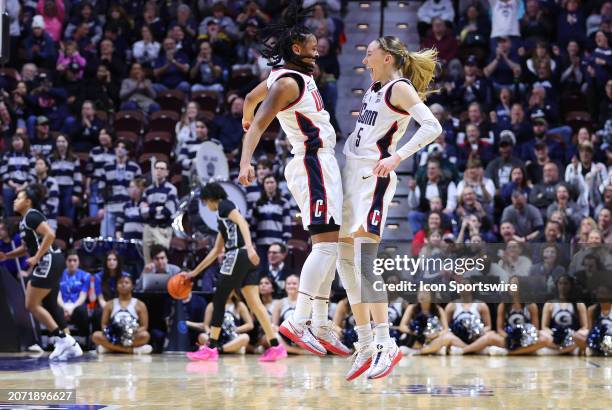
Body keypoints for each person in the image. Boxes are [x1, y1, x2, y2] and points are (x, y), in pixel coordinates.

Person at [238, 2, 350, 359]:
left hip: (320, 164)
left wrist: (244, 112)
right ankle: (299, 320)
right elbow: (259, 123)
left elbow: (250, 99)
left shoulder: (284, 76)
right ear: (296, 49)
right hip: (312, 163)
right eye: (312, 46)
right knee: (325, 246)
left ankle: (319, 322)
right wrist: (245, 162)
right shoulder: (287, 83)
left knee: (332, 243)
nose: (318, 49)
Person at [336, 34, 441, 380]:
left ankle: (386, 343)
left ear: (387, 58)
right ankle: (365, 342)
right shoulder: (373, 90)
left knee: (366, 265)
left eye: (369, 55)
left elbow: (432, 126)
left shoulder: (399, 88)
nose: (364, 61)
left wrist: (398, 156)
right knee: (343, 261)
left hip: (373, 179)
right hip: (353, 179)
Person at [182, 183, 287, 362]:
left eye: (206, 202)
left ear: (211, 198)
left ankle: (211, 347)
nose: (206, 206)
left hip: (238, 253)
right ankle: (276, 346)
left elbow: (243, 223)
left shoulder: (225, 205)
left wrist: (249, 247)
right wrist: (194, 272)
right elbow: (216, 251)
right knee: (255, 303)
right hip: (244, 256)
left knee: (219, 298)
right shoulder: (222, 218)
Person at [0, 185, 82, 360]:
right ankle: (70, 345)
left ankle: (63, 340)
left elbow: (50, 235)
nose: (14, 200)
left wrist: (37, 257)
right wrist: (7, 255)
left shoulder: (32, 215)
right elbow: (25, 247)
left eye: (19, 198)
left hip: (49, 260)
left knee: (31, 304)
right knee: (50, 305)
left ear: (28, 201)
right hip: (48, 261)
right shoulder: (24, 221)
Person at [92, 274, 152, 354]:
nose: (123, 284)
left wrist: (129, 332)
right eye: (120, 283)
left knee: (145, 335)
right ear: (116, 286)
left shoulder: (140, 304)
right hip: (113, 336)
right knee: (96, 336)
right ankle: (132, 350)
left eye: (127, 283)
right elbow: (104, 325)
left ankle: (110, 348)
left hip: (131, 336)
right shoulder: (110, 304)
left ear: (132, 286)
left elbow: (144, 326)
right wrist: (112, 333)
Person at [187, 291, 253, 357]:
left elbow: (250, 325)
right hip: (215, 338)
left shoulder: (239, 305)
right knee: (202, 336)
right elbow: (206, 325)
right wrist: (208, 332)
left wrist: (235, 329)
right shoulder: (212, 305)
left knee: (245, 337)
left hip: (232, 338)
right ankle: (219, 348)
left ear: (234, 292)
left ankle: (219, 349)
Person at [141, 160, 178, 265]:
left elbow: (168, 211)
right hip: (148, 228)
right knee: (148, 263)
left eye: (162, 169)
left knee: (161, 261)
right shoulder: (147, 190)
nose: (158, 171)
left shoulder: (171, 189)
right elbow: (142, 212)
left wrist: (150, 209)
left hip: (163, 229)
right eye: (156, 168)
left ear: (167, 172)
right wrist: (158, 209)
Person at [541, 275, 589, 354]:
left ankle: (561, 350)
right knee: (542, 334)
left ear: (571, 286)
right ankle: (563, 349)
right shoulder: (549, 304)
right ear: (557, 285)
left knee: (586, 332)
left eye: (566, 283)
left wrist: (575, 335)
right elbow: (544, 327)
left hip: (573, 338)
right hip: (554, 338)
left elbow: (584, 327)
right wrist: (554, 335)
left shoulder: (579, 305)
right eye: (560, 283)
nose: (563, 286)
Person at [272, 274, 307, 355]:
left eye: (294, 284)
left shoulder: (306, 302)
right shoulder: (279, 303)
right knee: (272, 333)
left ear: (300, 285)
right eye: (288, 284)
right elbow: (274, 325)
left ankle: (301, 349)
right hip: (285, 336)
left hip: (303, 336)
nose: (291, 286)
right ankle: (297, 351)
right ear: (285, 286)